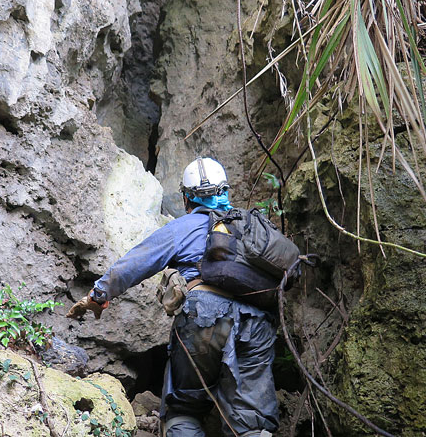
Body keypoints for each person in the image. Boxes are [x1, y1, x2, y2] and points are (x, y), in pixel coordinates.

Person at [67, 157, 279, 437]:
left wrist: (98, 295)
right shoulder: (253, 225)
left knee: (185, 408)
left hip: (205, 317)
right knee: (253, 421)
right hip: (258, 323)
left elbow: (135, 263)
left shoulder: (183, 227)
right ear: (225, 191)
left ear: (185, 197)